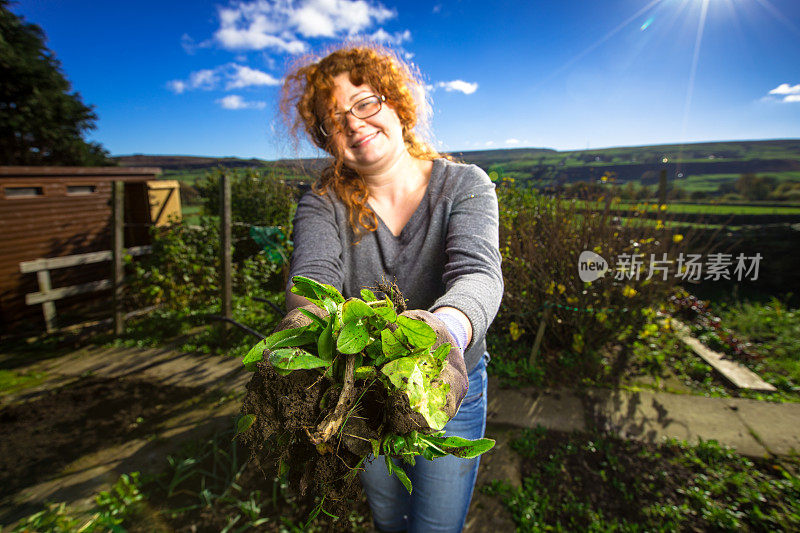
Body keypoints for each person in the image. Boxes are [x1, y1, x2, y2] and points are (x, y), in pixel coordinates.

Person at [280, 43, 503, 533]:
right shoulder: (323, 204)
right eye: (334, 120)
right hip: (363, 390)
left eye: (365, 103)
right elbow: (312, 279)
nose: (354, 123)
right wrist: (306, 324)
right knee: (386, 512)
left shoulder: (464, 185)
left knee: (436, 523)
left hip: (452, 384)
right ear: (326, 139)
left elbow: (479, 274)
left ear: (396, 103)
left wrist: (443, 330)